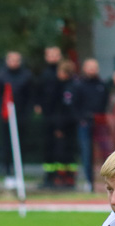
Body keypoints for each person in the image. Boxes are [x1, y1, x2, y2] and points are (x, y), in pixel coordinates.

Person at [0, 51, 33, 189]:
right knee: (6, 145)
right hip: (6, 117)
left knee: (21, 145)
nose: (14, 62)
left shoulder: (26, 75)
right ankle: (8, 173)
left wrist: (26, 112)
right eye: (12, 59)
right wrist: (2, 110)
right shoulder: (0, 75)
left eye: (17, 60)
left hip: (21, 117)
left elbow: (30, 96)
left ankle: (19, 174)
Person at [45, 60, 79, 188]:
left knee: (64, 152)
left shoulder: (66, 87)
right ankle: (65, 176)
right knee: (66, 152)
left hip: (65, 126)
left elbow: (63, 109)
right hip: (68, 125)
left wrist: (59, 126)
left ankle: (64, 177)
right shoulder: (67, 86)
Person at [77, 58, 109, 192]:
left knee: (106, 151)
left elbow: (106, 103)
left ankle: (108, 179)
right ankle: (89, 181)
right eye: (89, 67)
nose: (92, 70)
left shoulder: (101, 85)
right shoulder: (79, 85)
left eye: (94, 67)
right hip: (85, 124)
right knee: (86, 152)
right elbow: (74, 104)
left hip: (100, 124)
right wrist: (81, 118)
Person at [36, 46, 63, 188]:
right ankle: (49, 177)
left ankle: (62, 177)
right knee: (48, 148)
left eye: (55, 55)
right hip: (48, 118)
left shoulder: (62, 74)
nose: (53, 58)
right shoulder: (44, 75)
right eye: (50, 55)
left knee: (61, 148)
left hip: (60, 118)